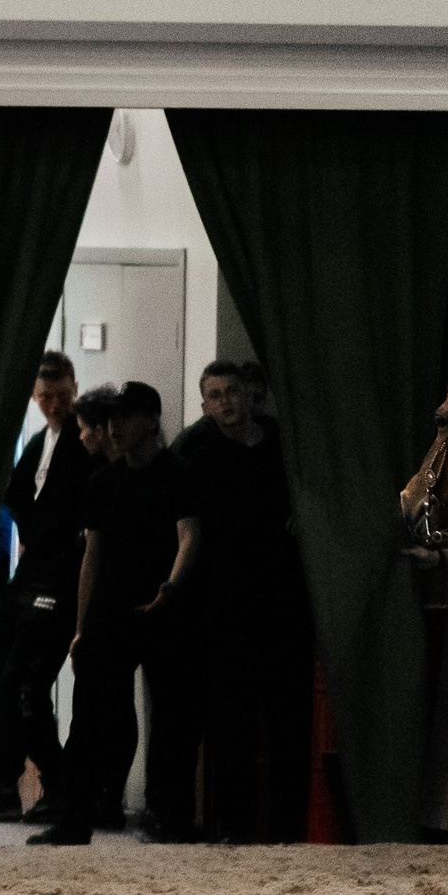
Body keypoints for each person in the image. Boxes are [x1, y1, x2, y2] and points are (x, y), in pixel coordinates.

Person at [31, 381, 204, 845]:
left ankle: (171, 815)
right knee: (88, 719)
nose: (113, 428)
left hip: (165, 609)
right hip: (111, 609)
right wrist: (81, 626)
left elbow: (189, 535)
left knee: (173, 719)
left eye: (124, 418)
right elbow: (93, 556)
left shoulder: (179, 472)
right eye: (109, 420)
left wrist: (171, 587)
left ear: (151, 420)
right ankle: (75, 819)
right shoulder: (104, 482)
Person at [177, 359, 314, 840]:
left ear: (248, 393)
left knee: (288, 721)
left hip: (283, 599)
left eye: (231, 391)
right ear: (204, 405)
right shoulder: (197, 456)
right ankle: (233, 828)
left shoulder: (282, 445)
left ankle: (286, 828)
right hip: (226, 602)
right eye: (214, 396)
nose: (225, 402)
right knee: (231, 721)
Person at [0, 353, 94, 823]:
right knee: (8, 680)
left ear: (74, 388)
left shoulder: (84, 441)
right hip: (31, 573)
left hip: (61, 576)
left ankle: (54, 784)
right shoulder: (39, 440)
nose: (54, 405)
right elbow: (18, 497)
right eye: (45, 397)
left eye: (62, 395)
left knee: (25, 684)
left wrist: (47, 538)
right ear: (33, 397)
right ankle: (7, 784)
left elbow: (71, 514)